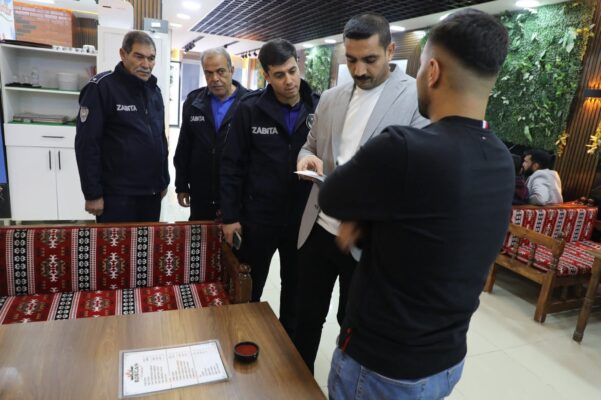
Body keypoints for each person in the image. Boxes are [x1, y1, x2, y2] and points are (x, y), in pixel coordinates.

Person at [319, 9, 513, 399]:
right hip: (447, 361)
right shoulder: (501, 160)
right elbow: (430, 234)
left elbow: (331, 195)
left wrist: (363, 221)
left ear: (433, 71)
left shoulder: (404, 148)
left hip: (382, 366)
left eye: (421, 65)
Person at [293, 13, 429, 373]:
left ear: (390, 50)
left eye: (369, 59)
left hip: (369, 240)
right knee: (305, 317)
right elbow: (309, 145)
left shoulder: (417, 99)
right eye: (351, 60)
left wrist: (365, 214)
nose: (359, 70)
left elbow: (416, 178)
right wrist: (306, 159)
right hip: (319, 228)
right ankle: (296, 385)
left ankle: (345, 386)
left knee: (353, 326)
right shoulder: (331, 98)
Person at [220, 39, 319, 336]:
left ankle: (287, 349)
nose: (289, 81)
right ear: (266, 75)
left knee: (296, 291)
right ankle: (243, 339)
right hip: (259, 217)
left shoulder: (318, 105)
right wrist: (230, 217)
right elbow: (231, 165)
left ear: (298, 66)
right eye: (279, 75)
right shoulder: (250, 109)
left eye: (292, 71)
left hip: (302, 218)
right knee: (250, 287)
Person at [75, 31, 169, 222]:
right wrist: (92, 193)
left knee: (147, 242)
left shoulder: (154, 91)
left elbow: (160, 138)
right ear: (123, 54)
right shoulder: (101, 88)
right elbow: (87, 144)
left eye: (151, 58)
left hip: (151, 193)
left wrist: (163, 180)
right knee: (116, 243)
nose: (146, 64)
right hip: (117, 195)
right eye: (139, 56)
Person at [174, 48, 248, 221]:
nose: (214, 78)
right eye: (208, 73)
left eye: (220, 71)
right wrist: (181, 185)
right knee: (199, 237)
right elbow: (184, 146)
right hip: (201, 193)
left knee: (235, 238)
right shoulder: (194, 102)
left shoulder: (249, 103)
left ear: (231, 70)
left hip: (238, 194)